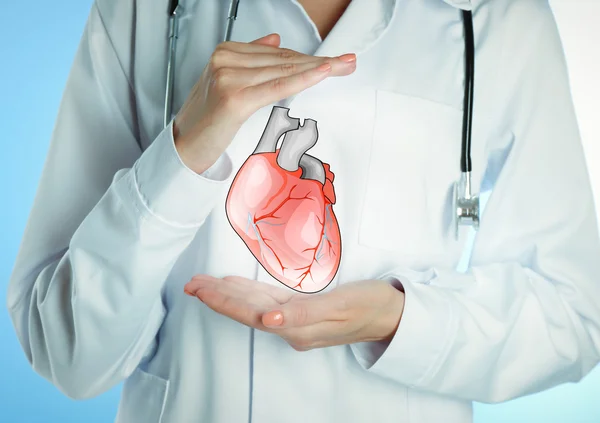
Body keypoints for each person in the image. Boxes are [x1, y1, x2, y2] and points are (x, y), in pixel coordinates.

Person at [6, 0, 600, 422]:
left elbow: (573, 316)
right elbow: (69, 352)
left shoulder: (498, 22)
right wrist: (183, 152)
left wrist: (399, 321)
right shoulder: (150, 10)